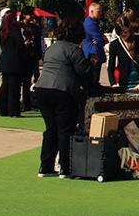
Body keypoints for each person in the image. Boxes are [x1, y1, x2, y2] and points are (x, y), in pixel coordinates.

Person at [34, 17, 94, 178]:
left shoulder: (51, 48)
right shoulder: (74, 49)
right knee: (65, 130)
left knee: (50, 129)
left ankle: (45, 166)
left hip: (41, 89)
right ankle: (65, 167)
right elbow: (84, 71)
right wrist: (92, 62)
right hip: (61, 91)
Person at [108, 9, 139, 90]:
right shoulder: (114, 45)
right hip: (125, 84)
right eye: (120, 33)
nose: (123, 34)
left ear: (129, 28)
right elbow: (110, 67)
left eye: (125, 31)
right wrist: (113, 83)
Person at [0, 9, 25, 117]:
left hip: (4, 59)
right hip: (14, 60)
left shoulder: (2, 30)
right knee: (14, 87)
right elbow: (19, 45)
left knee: (5, 85)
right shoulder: (15, 29)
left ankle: (3, 109)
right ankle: (13, 110)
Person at [19, 11, 42, 111]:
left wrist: (39, 55)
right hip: (22, 57)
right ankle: (22, 102)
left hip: (33, 56)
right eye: (30, 14)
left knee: (30, 80)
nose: (32, 16)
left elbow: (38, 41)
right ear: (24, 15)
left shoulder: (35, 28)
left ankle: (28, 102)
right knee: (22, 80)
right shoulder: (19, 26)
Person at [82, 2, 107, 88]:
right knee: (93, 80)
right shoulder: (91, 24)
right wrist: (102, 40)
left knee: (94, 80)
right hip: (93, 54)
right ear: (91, 11)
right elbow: (100, 40)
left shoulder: (92, 22)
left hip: (93, 53)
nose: (100, 13)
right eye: (98, 11)